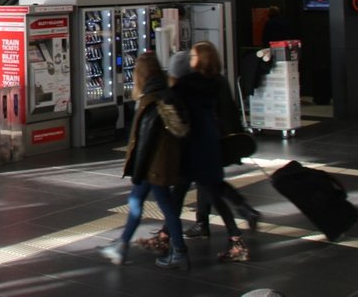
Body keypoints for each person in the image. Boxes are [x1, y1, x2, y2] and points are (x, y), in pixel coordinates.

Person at [139, 50, 260, 259]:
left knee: (194, 195)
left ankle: (235, 241)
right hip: (208, 147)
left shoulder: (181, 90)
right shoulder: (210, 84)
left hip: (193, 151)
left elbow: (177, 121)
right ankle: (166, 235)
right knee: (205, 193)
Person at [98, 52, 190, 269]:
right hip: (161, 163)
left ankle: (179, 252)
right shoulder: (166, 93)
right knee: (137, 203)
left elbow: (144, 143)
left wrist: (136, 172)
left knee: (159, 207)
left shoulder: (149, 101)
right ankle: (122, 245)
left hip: (152, 167)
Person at [170, 41, 250, 263]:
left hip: (193, 146)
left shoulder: (187, 84)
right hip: (210, 144)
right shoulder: (217, 82)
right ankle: (236, 236)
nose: (191, 59)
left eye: (194, 55)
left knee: (179, 193)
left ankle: (170, 239)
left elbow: (170, 104)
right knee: (213, 192)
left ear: (201, 59)